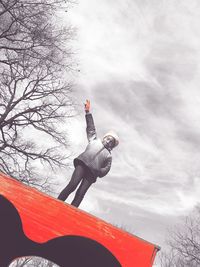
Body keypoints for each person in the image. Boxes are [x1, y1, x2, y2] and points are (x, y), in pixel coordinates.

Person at [57, 100, 119, 207]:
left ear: (112, 146)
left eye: (111, 142)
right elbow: (91, 127)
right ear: (105, 137)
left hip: (92, 174)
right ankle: (57, 202)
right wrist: (87, 112)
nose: (108, 141)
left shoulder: (108, 156)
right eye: (108, 139)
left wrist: (99, 171)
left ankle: (72, 211)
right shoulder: (94, 140)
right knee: (72, 185)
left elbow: (106, 169)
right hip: (82, 164)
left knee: (80, 193)